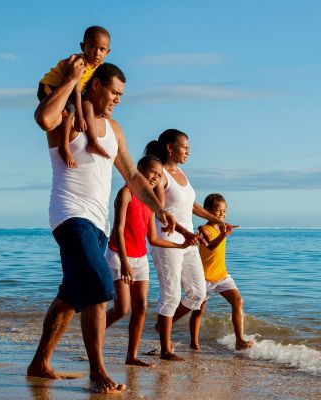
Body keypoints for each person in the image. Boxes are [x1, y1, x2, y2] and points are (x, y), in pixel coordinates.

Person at [27, 59, 175, 394]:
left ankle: (40, 361)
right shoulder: (68, 118)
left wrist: (158, 209)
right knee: (97, 285)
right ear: (95, 86)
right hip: (69, 214)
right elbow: (42, 118)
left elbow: (134, 178)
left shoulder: (115, 130)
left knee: (70, 295)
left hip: (98, 223)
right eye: (114, 91)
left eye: (121, 94)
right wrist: (71, 79)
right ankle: (98, 373)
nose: (119, 99)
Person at [145, 129, 231, 361]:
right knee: (171, 294)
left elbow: (191, 206)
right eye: (184, 147)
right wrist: (183, 233)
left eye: (189, 148)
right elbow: (160, 212)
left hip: (188, 241)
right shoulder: (161, 175)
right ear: (170, 148)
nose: (188, 151)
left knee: (198, 292)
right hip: (168, 240)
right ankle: (166, 349)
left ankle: (163, 325)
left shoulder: (181, 173)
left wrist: (217, 220)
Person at [105, 155, 197, 367]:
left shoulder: (150, 203)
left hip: (140, 258)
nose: (155, 178)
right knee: (122, 308)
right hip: (119, 256)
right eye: (152, 173)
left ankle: (131, 356)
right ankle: (94, 333)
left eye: (158, 175)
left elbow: (153, 238)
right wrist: (125, 263)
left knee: (142, 306)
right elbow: (118, 230)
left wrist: (180, 245)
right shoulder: (126, 193)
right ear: (139, 170)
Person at [39, 26, 111, 168]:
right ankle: (63, 147)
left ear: (107, 52)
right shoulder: (80, 63)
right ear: (83, 46)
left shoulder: (98, 65)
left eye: (102, 49)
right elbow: (76, 91)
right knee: (69, 112)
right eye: (92, 47)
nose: (97, 53)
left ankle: (93, 142)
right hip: (50, 87)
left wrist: (102, 110)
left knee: (88, 106)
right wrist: (79, 116)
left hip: (71, 92)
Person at [189, 193, 254, 351]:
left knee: (238, 301)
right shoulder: (203, 228)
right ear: (206, 211)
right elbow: (211, 246)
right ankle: (194, 342)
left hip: (222, 276)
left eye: (224, 211)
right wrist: (223, 235)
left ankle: (239, 340)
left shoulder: (222, 227)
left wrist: (224, 232)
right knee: (199, 310)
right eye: (218, 211)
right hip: (204, 278)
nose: (222, 215)